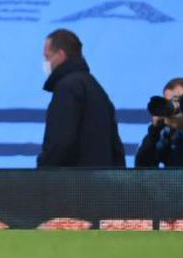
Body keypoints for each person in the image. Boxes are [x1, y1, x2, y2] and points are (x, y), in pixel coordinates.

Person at [37, 29, 125, 168]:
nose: (46, 63)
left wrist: (43, 169)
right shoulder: (94, 87)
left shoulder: (68, 88)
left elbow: (61, 142)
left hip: (75, 183)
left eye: (47, 57)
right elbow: (115, 146)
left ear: (60, 55)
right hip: (101, 182)